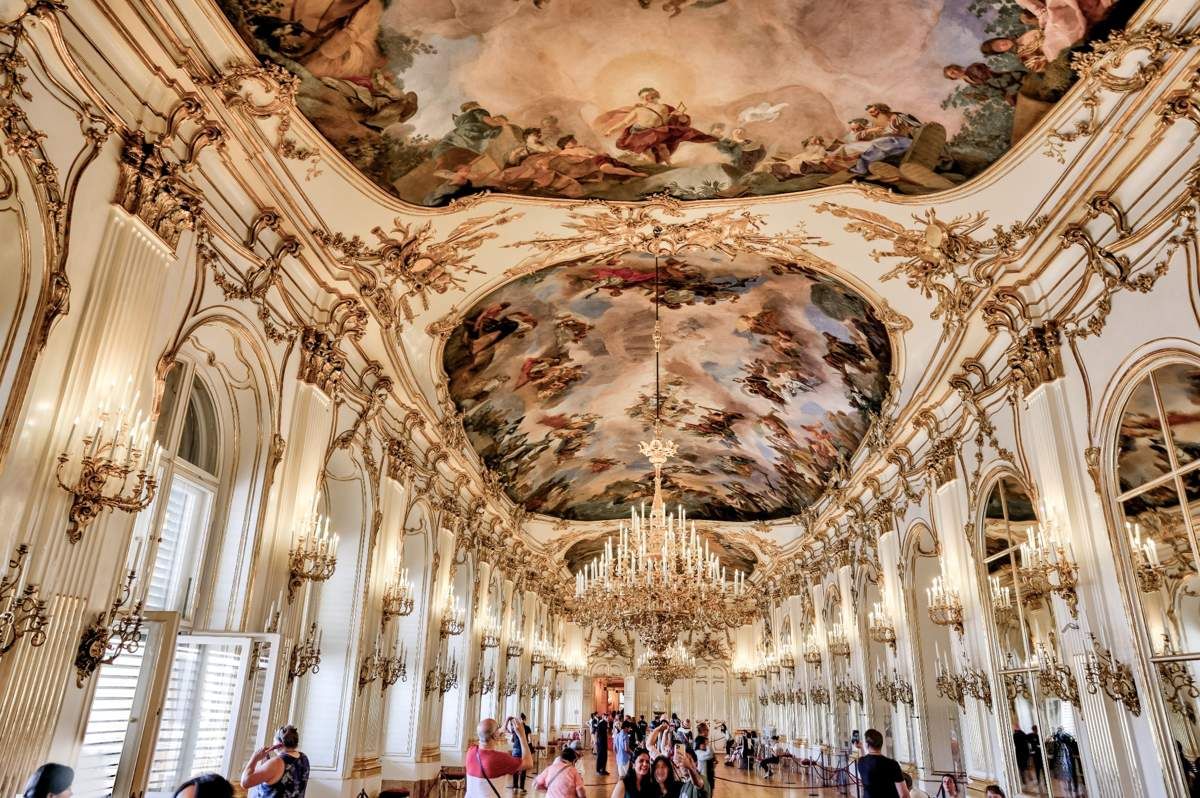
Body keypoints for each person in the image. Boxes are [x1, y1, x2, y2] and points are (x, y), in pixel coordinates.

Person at [466, 717, 532, 797]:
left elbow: (485, 736)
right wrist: (522, 736)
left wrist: (499, 731)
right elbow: (529, 763)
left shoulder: (470, 751)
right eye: (498, 728)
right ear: (495, 735)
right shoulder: (501, 759)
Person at [241, 724, 310, 798]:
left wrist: (254, 758)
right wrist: (268, 763)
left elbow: (245, 782)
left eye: (274, 740)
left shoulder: (277, 762)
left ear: (279, 744)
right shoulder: (304, 758)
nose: (273, 743)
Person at [857, 728, 909, 798]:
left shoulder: (861, 762)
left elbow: (865, 760)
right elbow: (904, 794)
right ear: (881, 744)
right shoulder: (892, 764)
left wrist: (861, 748)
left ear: (867, 745)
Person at [509, 713, 532, 794]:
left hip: (515, 748)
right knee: (523, 768)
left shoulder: (515, 728)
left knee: (515, 768)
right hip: (523, 749)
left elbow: (512, 739)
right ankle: (522, 788)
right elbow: (529, 740)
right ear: (525, 719)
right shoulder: (527, 728)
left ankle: (515, 787)